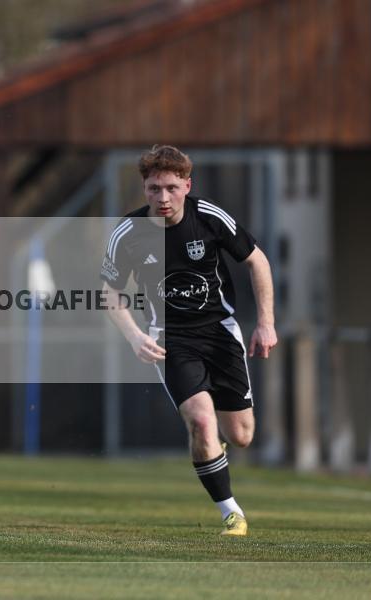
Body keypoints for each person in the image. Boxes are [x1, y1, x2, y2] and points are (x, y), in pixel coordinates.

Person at [101, 145, 277, 536]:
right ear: (143, 188)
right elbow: (108, 292)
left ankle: (214, 448)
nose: (162, 198)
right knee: (200, 419)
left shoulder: (209, 217)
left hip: (220, 334)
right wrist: (133, 336)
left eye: (170, 188)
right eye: (153, 189)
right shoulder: (128, 233)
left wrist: (265, 322)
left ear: (186, 185)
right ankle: (231, 512)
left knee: (242, 435)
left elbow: (257, 260)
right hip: (170, 341)